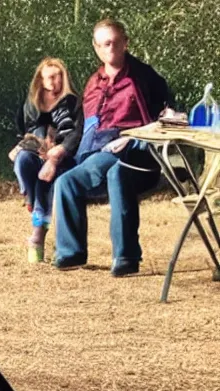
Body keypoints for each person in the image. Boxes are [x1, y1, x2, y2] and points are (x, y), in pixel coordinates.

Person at [53, 19, 173, 276]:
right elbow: (81, 126)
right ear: (96, 47)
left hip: (135, 151)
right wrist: (61, 151)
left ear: (126, 43)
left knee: (112, 172)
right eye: (105, 44)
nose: (112, 49)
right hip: (92, 152)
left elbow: (169, 116)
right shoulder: (93, 83)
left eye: (116, 43)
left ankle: (126, 257)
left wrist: (132, 137)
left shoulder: (144, 78)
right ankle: (71, 252)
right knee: (65, 182)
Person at [9, 58, 82, 263]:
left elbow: (77, 133)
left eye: (58, 76)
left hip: (64, 156)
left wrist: (59, 150)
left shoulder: (73, 102)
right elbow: (25, 129)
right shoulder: (32, 104)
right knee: (22, 160)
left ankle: (37, 234)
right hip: (37, 150)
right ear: (40, 80)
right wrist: (33, 143)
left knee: (45, 178)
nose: (54, 81)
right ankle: (31, 200)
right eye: (49, 77)